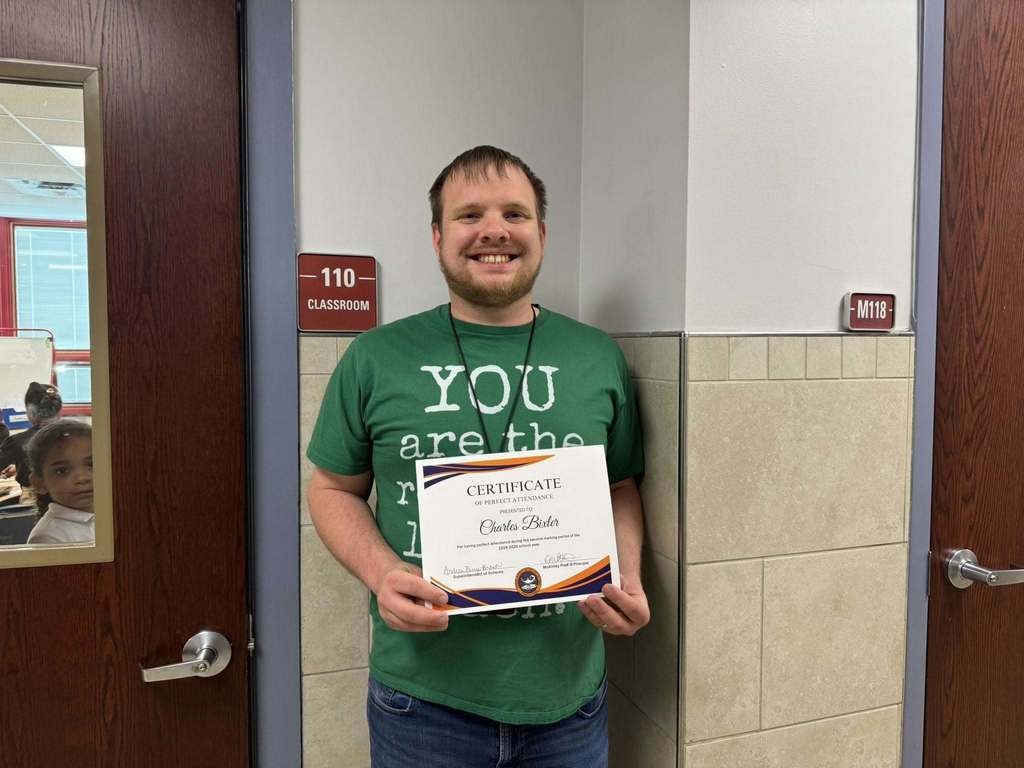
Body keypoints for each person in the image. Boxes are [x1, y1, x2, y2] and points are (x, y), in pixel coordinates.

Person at [307, 145, 649, 768]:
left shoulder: (597, 357)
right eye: (470, 216)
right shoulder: (375, 357)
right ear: (438, 238)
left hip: (569, 698)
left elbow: (619, 485)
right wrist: (381, 575)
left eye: (514, 213)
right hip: (423, 702)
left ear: (541, 234)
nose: (494, 230)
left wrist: (627, 577)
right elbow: (332, 489)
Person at [24, 418, 94, 545]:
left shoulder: (111, 514)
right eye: (62, 471)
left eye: (92, 465)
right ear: (39, 483)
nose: (82, 478)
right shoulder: (47, 537)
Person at [0, 382, 63, 487]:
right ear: (59, 410)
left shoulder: (16, 442)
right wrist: (21, 466)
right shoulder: (75, 437)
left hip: (35, 500)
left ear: (30, 412)